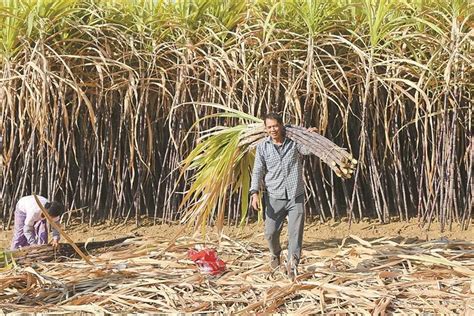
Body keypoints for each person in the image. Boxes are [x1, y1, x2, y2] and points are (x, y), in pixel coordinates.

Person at [250, 113, 316, 280]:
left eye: (275, 126)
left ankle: (293, 265)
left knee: (295, 233)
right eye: (269, 127)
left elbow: (307, 150)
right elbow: (258, 170)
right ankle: (275, 254)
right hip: (274, 196)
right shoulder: (263, 147)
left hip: (296, 195)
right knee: (270, 233)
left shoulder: (293, 143)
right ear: (266, 129)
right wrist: (254, 192)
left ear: (281, 125)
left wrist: (312, 137)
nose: (273, 129)